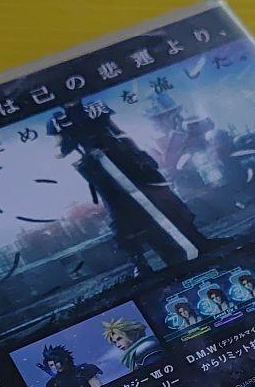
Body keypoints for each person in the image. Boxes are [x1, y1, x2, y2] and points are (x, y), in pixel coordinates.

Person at [50, 101, 213, 276]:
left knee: (164, 200)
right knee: (121, 215)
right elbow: (58, 151)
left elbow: (118, 132)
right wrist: (70, 143)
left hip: (126, 160)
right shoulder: (59, 120)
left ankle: (198, 240)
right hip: (100, 169)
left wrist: (140, 155)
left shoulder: (94, 107)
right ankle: (140, 263)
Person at [102, 316, 167, 371]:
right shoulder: (134, 357)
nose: (118, 345)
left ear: (132, 334)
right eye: (115, 342)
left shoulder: (146, 351)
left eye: (119, 339)